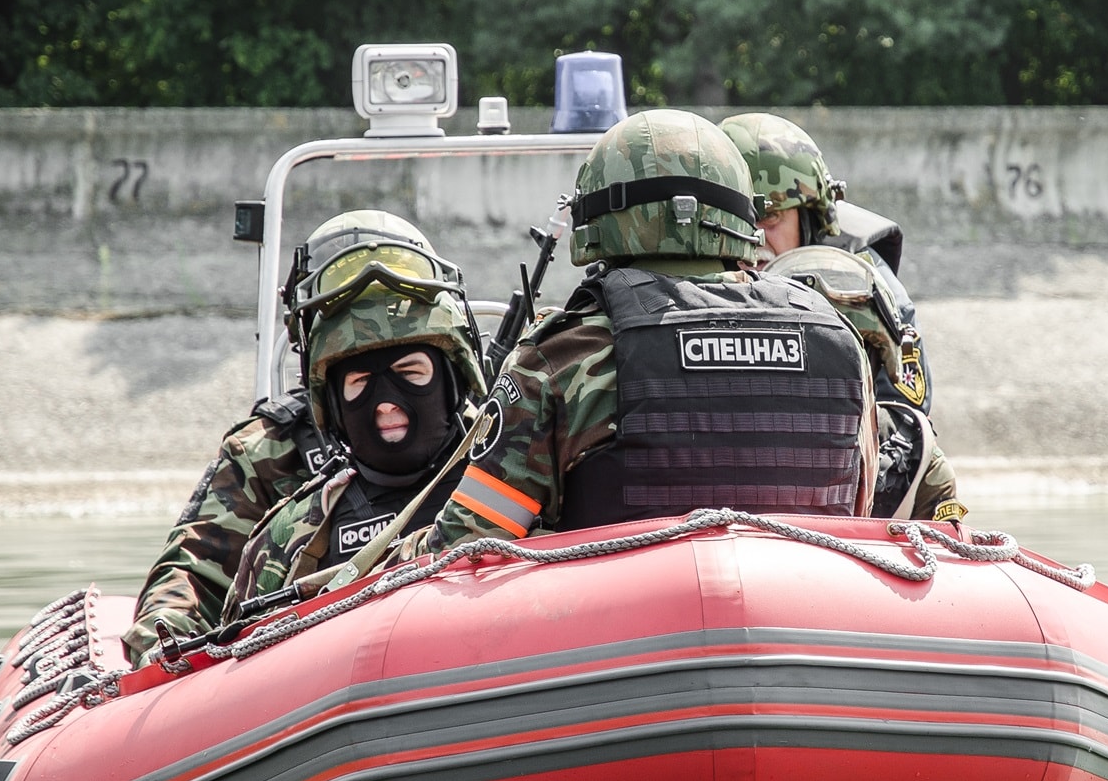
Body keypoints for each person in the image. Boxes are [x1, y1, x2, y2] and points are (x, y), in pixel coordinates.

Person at [422, 108, 880, 551]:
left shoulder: (565, 355)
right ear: (743, 217)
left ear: (595, 221)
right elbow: (858, 520)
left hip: (616, 627)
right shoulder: (837, 342)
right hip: (802, 623)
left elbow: (466, 549)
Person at [120, 210, 481, 663]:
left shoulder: (502, 447)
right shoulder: (272, 463)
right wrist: (163, 654)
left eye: (410, 371)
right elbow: (196, 575)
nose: (387, 402)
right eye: (361, 381)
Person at [719, 112, 964, 522]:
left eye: (771, 219)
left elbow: (901, 424)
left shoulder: (865, 292)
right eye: (741, 224)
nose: (755, 239)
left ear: (811, 217)